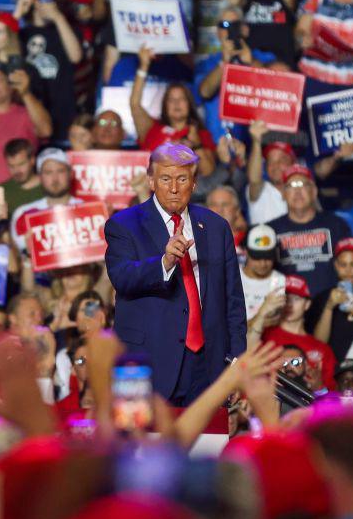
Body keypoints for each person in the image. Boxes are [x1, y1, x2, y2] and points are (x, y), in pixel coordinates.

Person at [104, 143, 247, 404]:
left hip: (208, 365)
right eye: (165, 178)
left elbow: (233, 301)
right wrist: (165, 262)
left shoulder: (216, 227)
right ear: (151, 180)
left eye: (182, 179)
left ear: (194, 183)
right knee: (147, 445)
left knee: (208, 443)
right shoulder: (124, 224)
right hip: (149, 364)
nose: (173, 188)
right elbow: (122, 277)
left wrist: (237, 361)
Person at [131, 47, 217, 179]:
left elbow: (208, 172)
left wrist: (197, 144)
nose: (176, 103)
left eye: (181, 99)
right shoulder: (152, 129)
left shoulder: (201, 135)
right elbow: (135, 104)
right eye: (171, 100)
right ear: (165, 106)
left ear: (189, 105)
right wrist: (143, 66)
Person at [268, 165, 353, 298]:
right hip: (288, 309)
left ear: (314, 191)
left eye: (303, 185)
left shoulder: (337, 225)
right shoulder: (270, 231)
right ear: (283, 194)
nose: (297, 191)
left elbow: (352, 268)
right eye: (291, 186)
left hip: (330, 306)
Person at [13, 0, 83, 141]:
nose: (42, 1)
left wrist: (58, 18)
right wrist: (18, 13)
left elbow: (76, 56)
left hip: (62, 108)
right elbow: (2, 46)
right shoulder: (21, 34)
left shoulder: (67, 30)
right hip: (30, 109)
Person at [195, 6, 277, 142]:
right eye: (224, 25)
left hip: (255, 143)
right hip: (217, 145)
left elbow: (278, 90)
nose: (228, 30)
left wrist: (251, 62)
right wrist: (224, 62)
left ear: (245, 29)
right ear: (217, 32)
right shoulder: (207, 63)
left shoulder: (264, 59)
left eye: (234, 25)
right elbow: (204, 92)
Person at [260, 274, 337, 392]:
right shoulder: (263, 336)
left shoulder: (322, 349)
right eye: (286, 298)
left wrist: (319, 387)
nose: (289, 304)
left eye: (296, 299)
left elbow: (333, 398)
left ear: (307, 304)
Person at [310, 238, 353, 362]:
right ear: (336, 265)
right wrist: (329, 307)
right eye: (343, 265)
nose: (348, 270)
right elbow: (318, 345)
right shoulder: (322, 298)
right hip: (334, 371)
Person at [11, 148, 83, 254]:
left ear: (71, 174)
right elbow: (18, 259)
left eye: (60, 171)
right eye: (48, 172)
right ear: (39, 177)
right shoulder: (23, 214)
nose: (55, 179)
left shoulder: (88, 210)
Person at [228, 0, 296, 64]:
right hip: (252, 60)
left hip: (280, 62)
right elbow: (232, 3)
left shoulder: (285, 0)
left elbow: (290, 0)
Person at [239, 224, 286, 324]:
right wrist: (261, 318)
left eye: (268, 257)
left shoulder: (280, 281)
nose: (263, 263)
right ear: (246, 252)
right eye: (257, 257)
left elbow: (273, 322)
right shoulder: (232, 276)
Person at [0, 138, 45, 212]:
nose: (16, 171)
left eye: (21, 164)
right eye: (11, 166)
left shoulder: (50, 186)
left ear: (32, 160)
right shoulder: (1, 192)